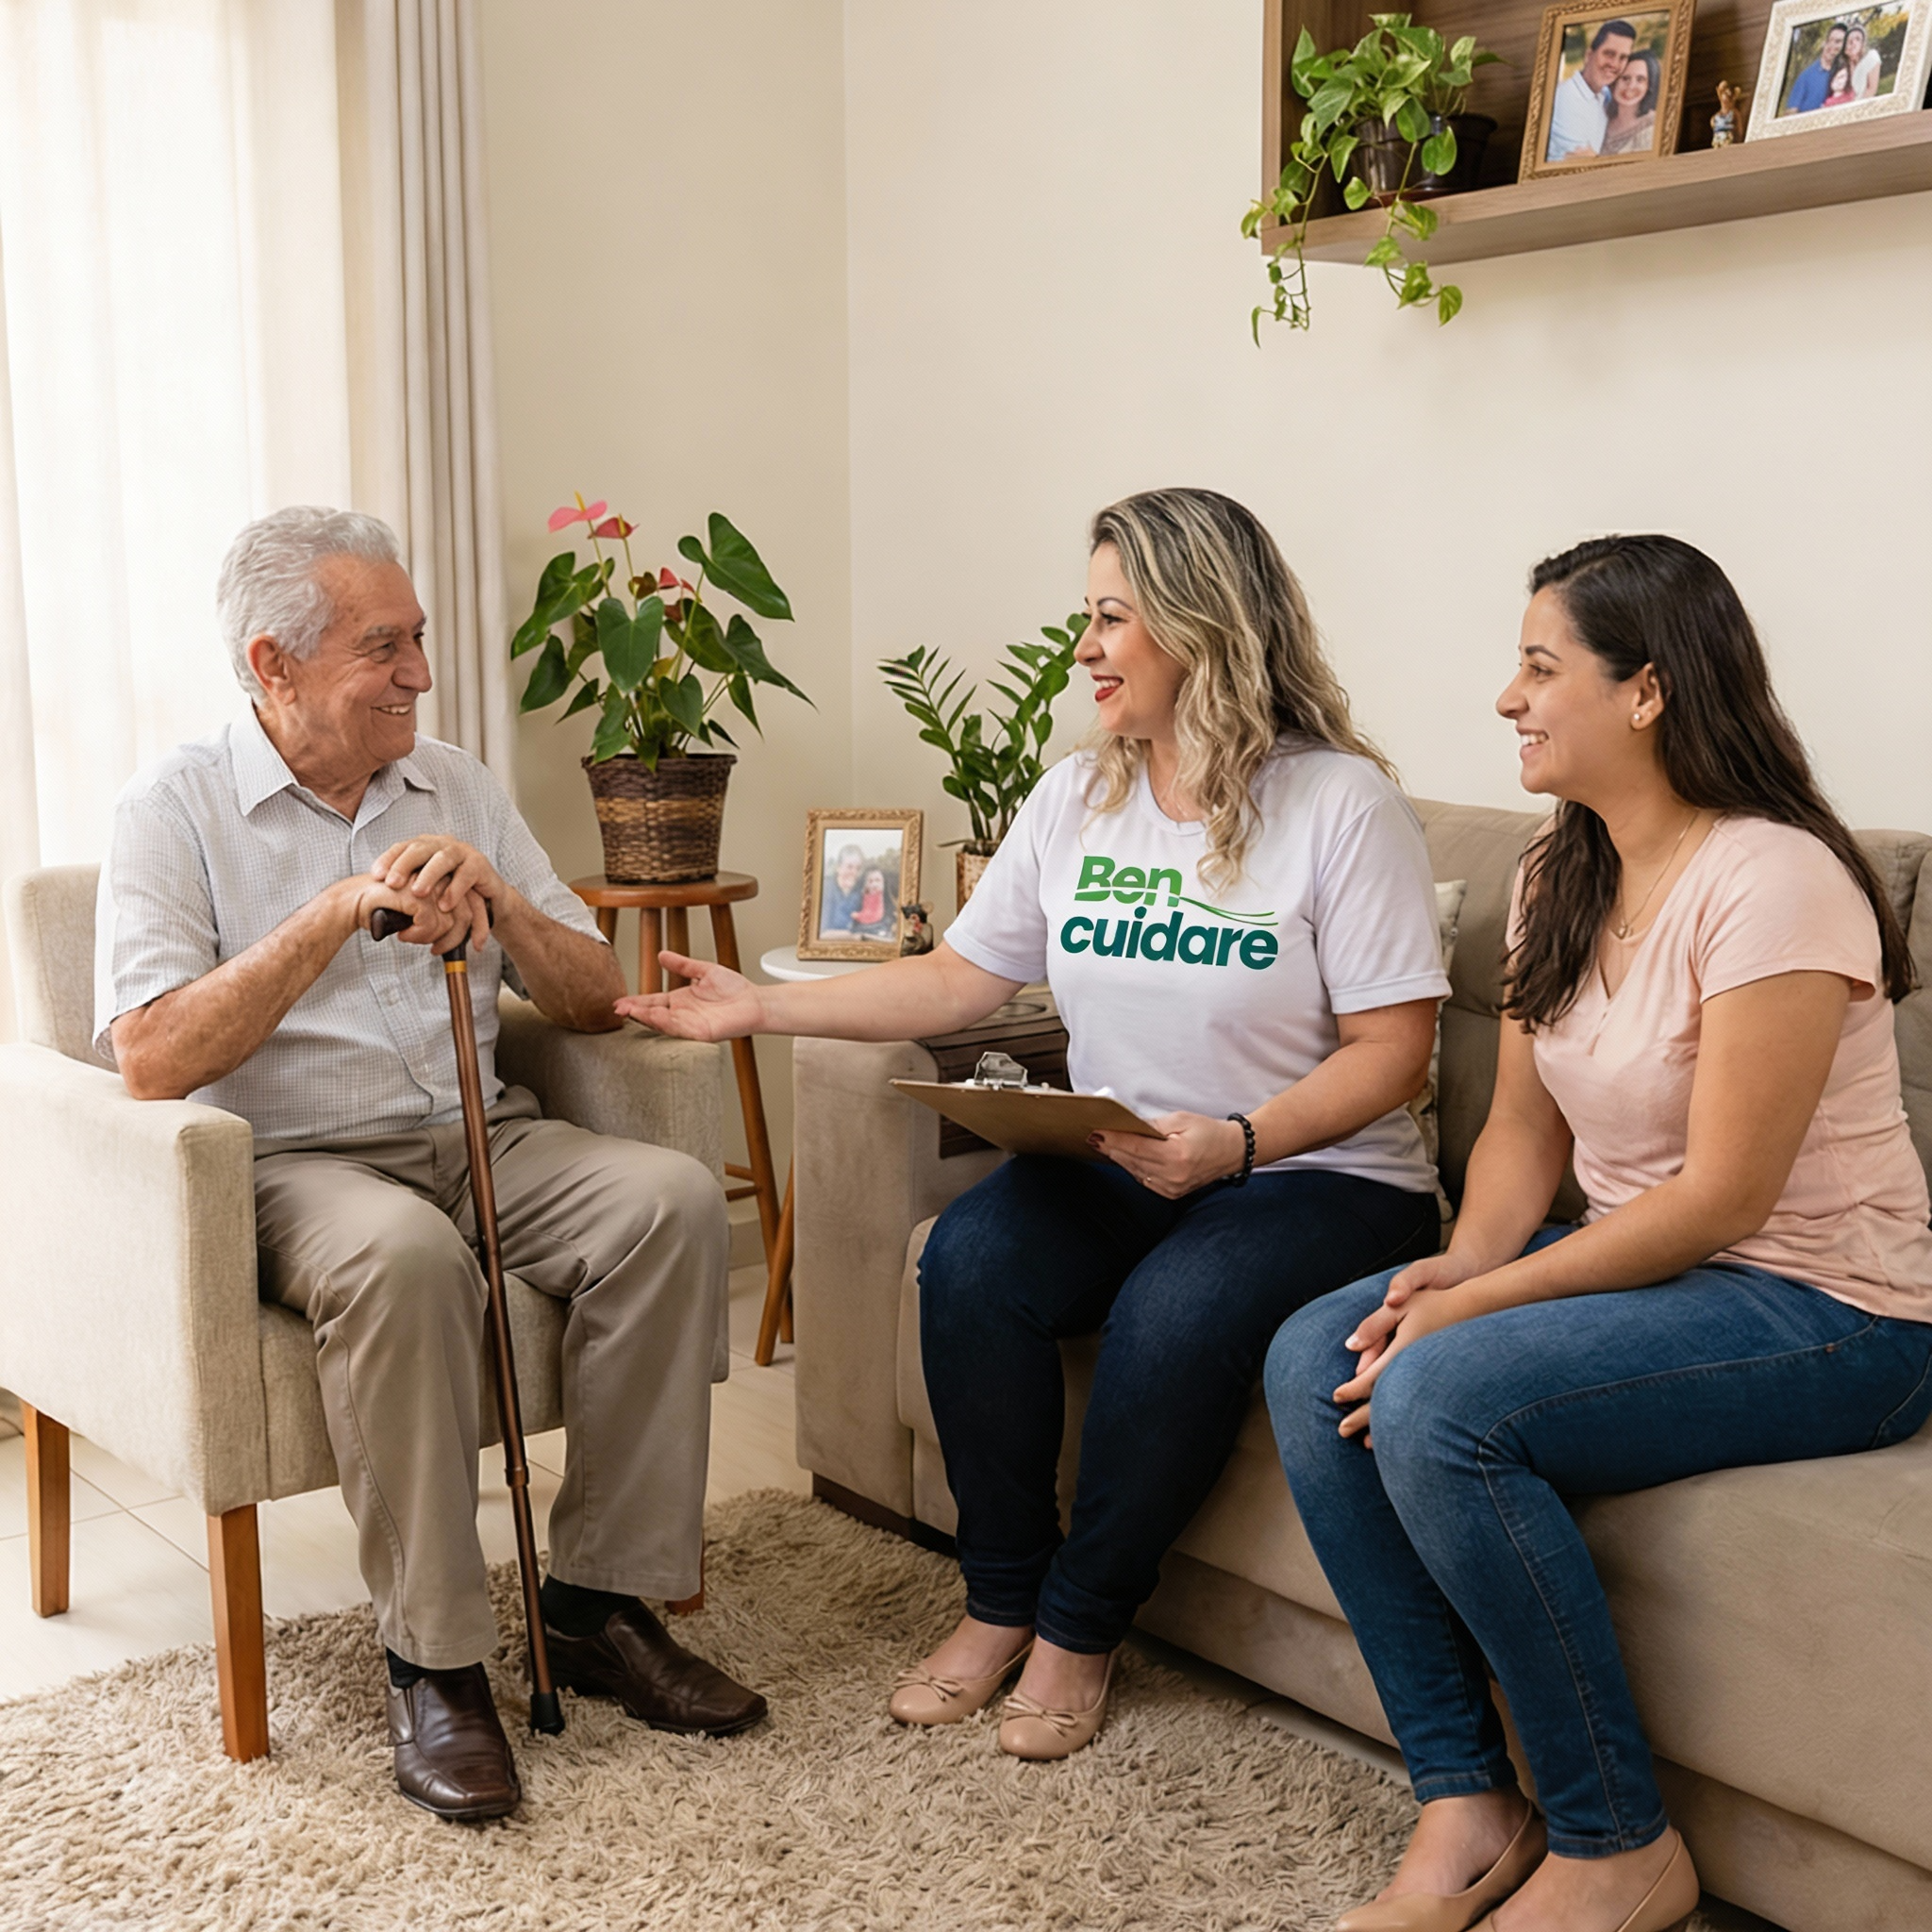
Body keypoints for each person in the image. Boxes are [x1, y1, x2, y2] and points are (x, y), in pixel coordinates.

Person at [620, 487, 1450, 1761]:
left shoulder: (1341, 808)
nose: (1085, 651)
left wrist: (1234, 1141)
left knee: (1175, 1310)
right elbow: (961, 978)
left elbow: (1394, 1054)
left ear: (1199, 621)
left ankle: (1080, 1624)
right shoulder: (1080, 799)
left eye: (1112, 618)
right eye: (1087, 618)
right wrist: (763, 1010)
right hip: (1127, 1154)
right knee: (971, 1261)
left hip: (1314, 1173)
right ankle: (1000, 1599)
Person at [1265, 534, 1932, 1932]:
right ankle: (1464, 1798)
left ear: (1649, 691)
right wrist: (1465, 1262)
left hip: (1832, 1311)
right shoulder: (1559, 871)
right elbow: (1523, 1133)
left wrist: (1474, 1315)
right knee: (1311, 1347)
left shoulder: (1777, 880)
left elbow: (1724, 1201)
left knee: (1440, 1394)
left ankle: (1615, 1843)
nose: (1507, 697)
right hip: (1667, 1275)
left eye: (1539, 664)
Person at [97, 508, 766, 1823]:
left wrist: (506, 905)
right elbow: (153, 1057)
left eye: (417, 641)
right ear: (273, 665)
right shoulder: (171, 809)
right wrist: (333, 915)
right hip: (296, 1162)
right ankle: (436, 1664)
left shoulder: (452, 781)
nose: (418, 674)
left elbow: (589, 1000)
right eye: (382, 646)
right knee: (406, 1260)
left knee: (670, 1202)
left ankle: (595, 1604)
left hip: (481, 1133)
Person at [1546, 20, 1634, 160]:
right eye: (1609, 54)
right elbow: (1584, 161)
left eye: (1623, 58)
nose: (1615, 65)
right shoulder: (1565, 98)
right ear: (1588, 55)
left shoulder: (1605, 94)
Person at [1599, 50, 1660, 153]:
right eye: (1625, 78)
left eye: (1640, 79)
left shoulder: (1655, 127)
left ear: (1649, 86)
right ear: (1614, 82)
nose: (1631, 86)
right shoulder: (1599, 117)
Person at [1784, 20, 1846, 112]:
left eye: (1838, 42)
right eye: (1829, 40)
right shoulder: (1806, 76)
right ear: (1824, 43)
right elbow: (1790, 113)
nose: (1832, 45)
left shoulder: (1845, 76)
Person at [819, 841, 868, 936]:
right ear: (838, 867)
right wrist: (852, 935)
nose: (854, 872)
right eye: (850, 867)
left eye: (858, 868)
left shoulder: (860, 891)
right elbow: (821, 933)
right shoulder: (826, 888)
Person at [852, 865, 893, 937]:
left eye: (878, 880)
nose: (874, 885)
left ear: (884, 883)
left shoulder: (889, 905)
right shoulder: (859, 901)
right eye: (870, 881)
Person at [1847, 21, 1883, 97]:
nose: (1853, 42)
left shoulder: (1871, 57)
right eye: (1850, 39)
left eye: (1858, 39)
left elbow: (1872, 90)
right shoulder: (1843, 64)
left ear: (1862, 44)